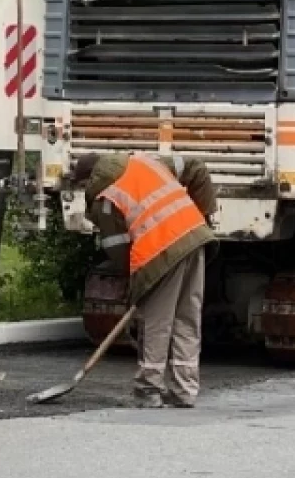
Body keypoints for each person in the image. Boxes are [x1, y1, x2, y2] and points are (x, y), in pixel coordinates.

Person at [71, 151, 218, 408]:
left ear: (87, 180)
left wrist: (139, 283)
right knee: (186, 318)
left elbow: (120, 251)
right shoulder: (145, 161)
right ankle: (185, 390)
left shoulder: (104, 199)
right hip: (195, 238)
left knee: (157, 322)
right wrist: (202, 214)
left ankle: (149, 389)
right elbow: (197, 166)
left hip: (159, 253)